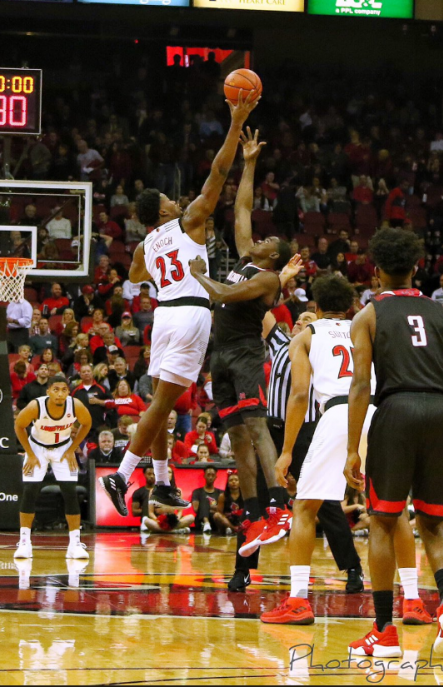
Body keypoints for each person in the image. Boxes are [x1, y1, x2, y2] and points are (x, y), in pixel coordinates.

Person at [99, 92, 258, 514]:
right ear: (164, 209)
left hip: (163, 316)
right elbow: (219, 173)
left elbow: (135, 276)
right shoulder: (187, 221)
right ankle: (121, 473)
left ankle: (165, 483)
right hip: (189, 312)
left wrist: (160, 265)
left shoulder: (143, 247)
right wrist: (235, 124)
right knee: (162, 405)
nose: (177, 200)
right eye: (171, 199)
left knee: (160, 402)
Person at [343, 228, 443, 658]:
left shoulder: (369, 314)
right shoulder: (440, 314)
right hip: (438, 413)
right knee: (433, 523)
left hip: (395, 412)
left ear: (376, 273)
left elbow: (360, 385)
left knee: (382, 520)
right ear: (416, 268)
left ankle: (384, 631)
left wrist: (350, 450)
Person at [187, 129, 299, 565]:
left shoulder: (267, 278)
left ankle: (279, 506)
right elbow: (243, 207)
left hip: (247, 354)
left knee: (256, 429)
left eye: (268, 241)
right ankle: (253, 515)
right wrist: (249, 162)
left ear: (275, 256)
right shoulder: (247, 258)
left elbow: (226, 297)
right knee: (235, 438)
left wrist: (200, 276)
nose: (260, 238)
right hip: (222, 356)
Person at [260, 274, 360, 627]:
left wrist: (285, 452)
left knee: (304, 507)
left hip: (334, 414)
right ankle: (410, 599)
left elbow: (300, 396)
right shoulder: (366, 327)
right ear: (349, 306)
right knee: (386, 510)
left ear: (316, 307)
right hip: (376, 411)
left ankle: (298, 600)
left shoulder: (307, 336)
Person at [13, 374, 93, 561]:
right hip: (37, 448)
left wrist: (73, 449)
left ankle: (75, 544)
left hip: (63, 448)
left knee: (70, 493)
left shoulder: (75, 406)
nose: (59, 394)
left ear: (68, 392)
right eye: (55, 389)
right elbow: (19, 426)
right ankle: (25, 542)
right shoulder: (36, 406)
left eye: (64, 390)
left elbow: (87, 423)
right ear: (48, 391)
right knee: (30, 492)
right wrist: (30, 454)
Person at [190, 466, 222, 532]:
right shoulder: (197, 492)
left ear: (216, 477)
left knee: (205, 503)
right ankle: (206, 523)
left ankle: (208, 524)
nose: (210, 477)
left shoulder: (221, 493)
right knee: (205, 500)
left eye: (213, 475)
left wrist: (205, 507)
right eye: (208, 475)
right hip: (200, 521)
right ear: (204, 476)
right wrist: (214, 508)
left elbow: (221, 510)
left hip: (215, 520)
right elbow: (196, 509)